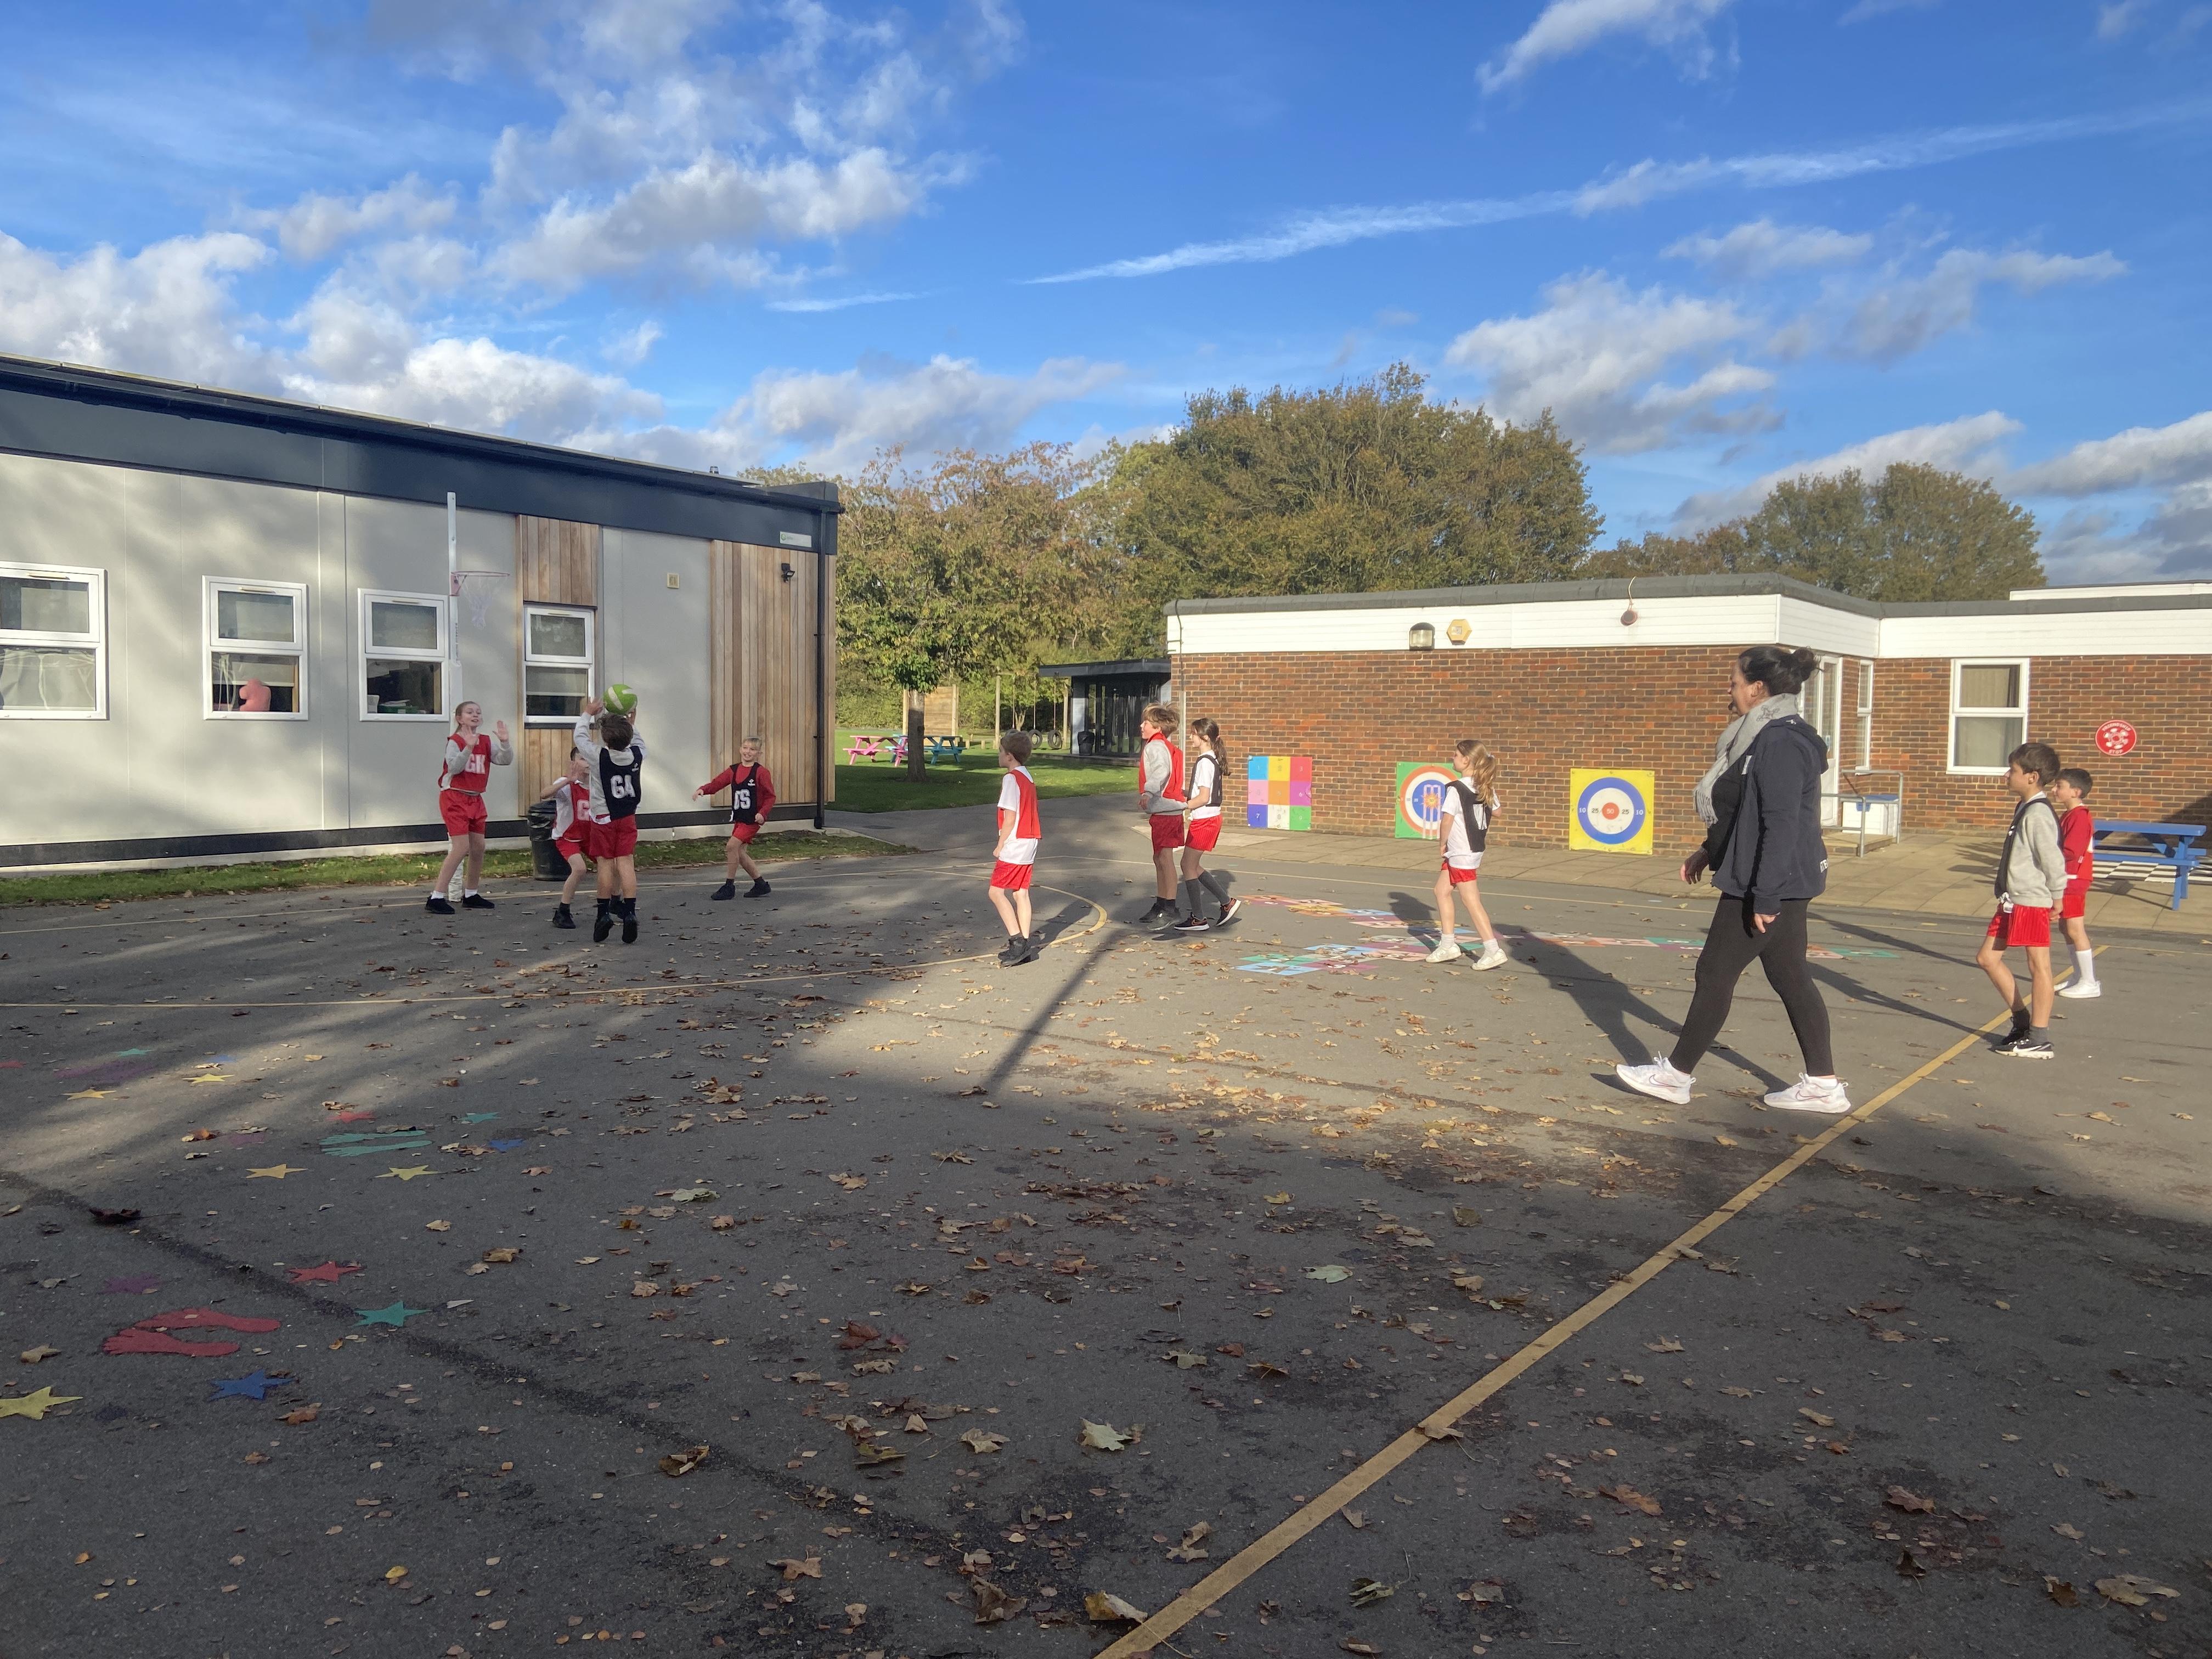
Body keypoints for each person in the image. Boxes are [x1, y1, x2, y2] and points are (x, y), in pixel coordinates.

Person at [1617, 645, 1848, 1113]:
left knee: (1714, 972)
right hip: (1774, 874)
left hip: (1765, 879)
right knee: (1789, 974)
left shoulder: (1780, 742)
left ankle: (1676, 1076)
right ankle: (1823, 1085)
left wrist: (1765, 896)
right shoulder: (1764, 735)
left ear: (1757, 689)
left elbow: (1780, 822)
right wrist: (1710, 849)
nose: (1730, 689)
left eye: (1735, 682)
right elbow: (1746, 808)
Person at [1977, 741, 2068, 1058]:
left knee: (2039, 966)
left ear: (2032, 776)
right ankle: (2023, 1022)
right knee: (1987, 959)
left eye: (2012, 770)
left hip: (2031, 900)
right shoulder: (2025, 807)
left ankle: (2040, 1037)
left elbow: (2052, 859)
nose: (2006, 775)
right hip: (2012, 899)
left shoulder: (2039, 813)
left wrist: (2058, 896)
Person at [1425, 740, 1509, 969]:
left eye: (1455, 755)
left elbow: (1447, 820)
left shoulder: (1456, 788)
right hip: (1471, 850)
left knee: (1470, 900)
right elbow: (1498, 812)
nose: (1452, 758)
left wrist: (1443, 842)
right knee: (1441, 891)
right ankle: (1448, 945)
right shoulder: (1484, 786)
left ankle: (1493, 949)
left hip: (1461, 851)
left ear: (1466, 760)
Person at [426, 700, 512, 915]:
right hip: (454, 797)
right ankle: (436, 897)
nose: (475, 715)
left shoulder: (485, 740)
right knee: (461, 847)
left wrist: (505, 743)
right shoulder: (455, 741)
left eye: (478, 712)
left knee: (478, 847)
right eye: (470, 712)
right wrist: (469, 747)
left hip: (475, 798)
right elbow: (454, 767)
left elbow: (505, 760)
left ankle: (471, 894)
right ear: (459, 718)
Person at [574, 697, 646, 944]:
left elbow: (580, 738)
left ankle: (603, 914)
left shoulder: (599, 756)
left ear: (605, 738)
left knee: (605, 864)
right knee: (626, 862)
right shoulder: (637, 754)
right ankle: (630, 912)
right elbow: (637, 741)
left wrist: (587, 713)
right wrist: (632, 724)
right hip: (627, 816)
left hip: (603, 817)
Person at [1169, 717, 1242, 932]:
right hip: (1209, 819)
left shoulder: (1204, 762)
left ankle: (1199, 918)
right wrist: (1183, 793)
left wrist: (1181, 806)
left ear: (1205, 738)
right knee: (1192, 866)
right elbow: (1202, 794)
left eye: (1193, 734)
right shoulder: (1211, 759)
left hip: (1205, 820)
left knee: (1187, 866)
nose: (1190, 737)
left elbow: (1203, 797)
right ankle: (1226, 903)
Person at [696, 736, 775, 900]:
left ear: (759, 753)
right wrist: (704, 790)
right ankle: (761, 884)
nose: (748, 752)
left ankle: (729, 886)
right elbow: (718, 783)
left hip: (752, 819)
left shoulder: (761, 773)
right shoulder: (734, 770)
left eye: (752, 749)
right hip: (740, 818)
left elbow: (770, 796)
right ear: (740, 749)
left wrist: (763, 813)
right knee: (739, 852)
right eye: (745, 748)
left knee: (731, 846)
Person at [989, 729, 1043, 964]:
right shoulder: (1027, 776)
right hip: (1030, 840)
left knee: (995, 892)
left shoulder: (1011, 779)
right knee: (1021, 893)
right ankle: (1025, 944)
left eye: (1001, 751)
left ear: (1010, 755)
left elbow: (1010, 817)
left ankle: (1017, 941)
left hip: (1016, 842)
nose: (999, 755)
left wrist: (1000, 844)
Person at [2051, 766, 2101, 999]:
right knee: (2066, 928)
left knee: (2074, 928)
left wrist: (2046, 853)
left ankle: (2089, 981)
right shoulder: (2070, 815)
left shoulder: (2080, 816)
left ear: (2076, 792)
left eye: (2059, 786)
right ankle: (2079, 975)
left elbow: (2071, 851)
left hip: (2074, 879)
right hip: (2068, 877)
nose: (2054, 790)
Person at [1136, 703, 1186, 923]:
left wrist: (1149, 791)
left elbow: (1161, 770)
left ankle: (1170, 907)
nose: (1142, 726)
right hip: (1166, 810)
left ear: (1157, 727)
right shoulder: (1162, 745)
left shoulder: (1155, 746)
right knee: (1158, 857)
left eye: (1146, 723)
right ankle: (1161, 902)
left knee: (1165, 858)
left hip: (1167, 810)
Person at [540, 748, 595, 929]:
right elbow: (544, 794)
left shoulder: (597, 785)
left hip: (589, 836)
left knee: (613, 863)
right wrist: (567, 780)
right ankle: (562, 911)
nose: (587, 762)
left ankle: (615, 901)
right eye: (582, 759)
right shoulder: (567, 784)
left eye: (589, 758)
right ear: (574, 763)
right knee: (579, 869)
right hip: (567, 837)